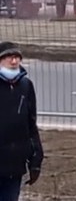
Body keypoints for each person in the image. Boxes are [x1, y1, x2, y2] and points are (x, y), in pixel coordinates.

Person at [0, 42, 43, 201]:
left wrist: (36, 158)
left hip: (14, 166)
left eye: (17, 57)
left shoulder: (26, 86)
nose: (14, 61)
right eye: (9, 57)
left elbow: (31, 125)